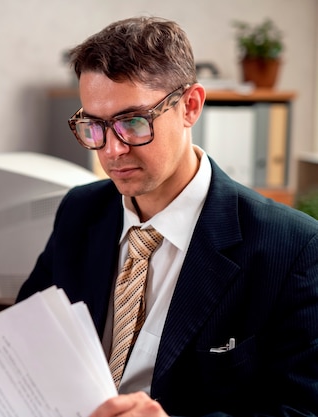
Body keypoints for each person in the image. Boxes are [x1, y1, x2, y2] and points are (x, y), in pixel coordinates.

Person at [16, 16, 318, 417]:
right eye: (95, 126)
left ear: (190, 106)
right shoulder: (80, 210)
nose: (111, 151)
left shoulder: (292, 247)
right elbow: (24, 338)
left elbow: (302, 411)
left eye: (132, 122)